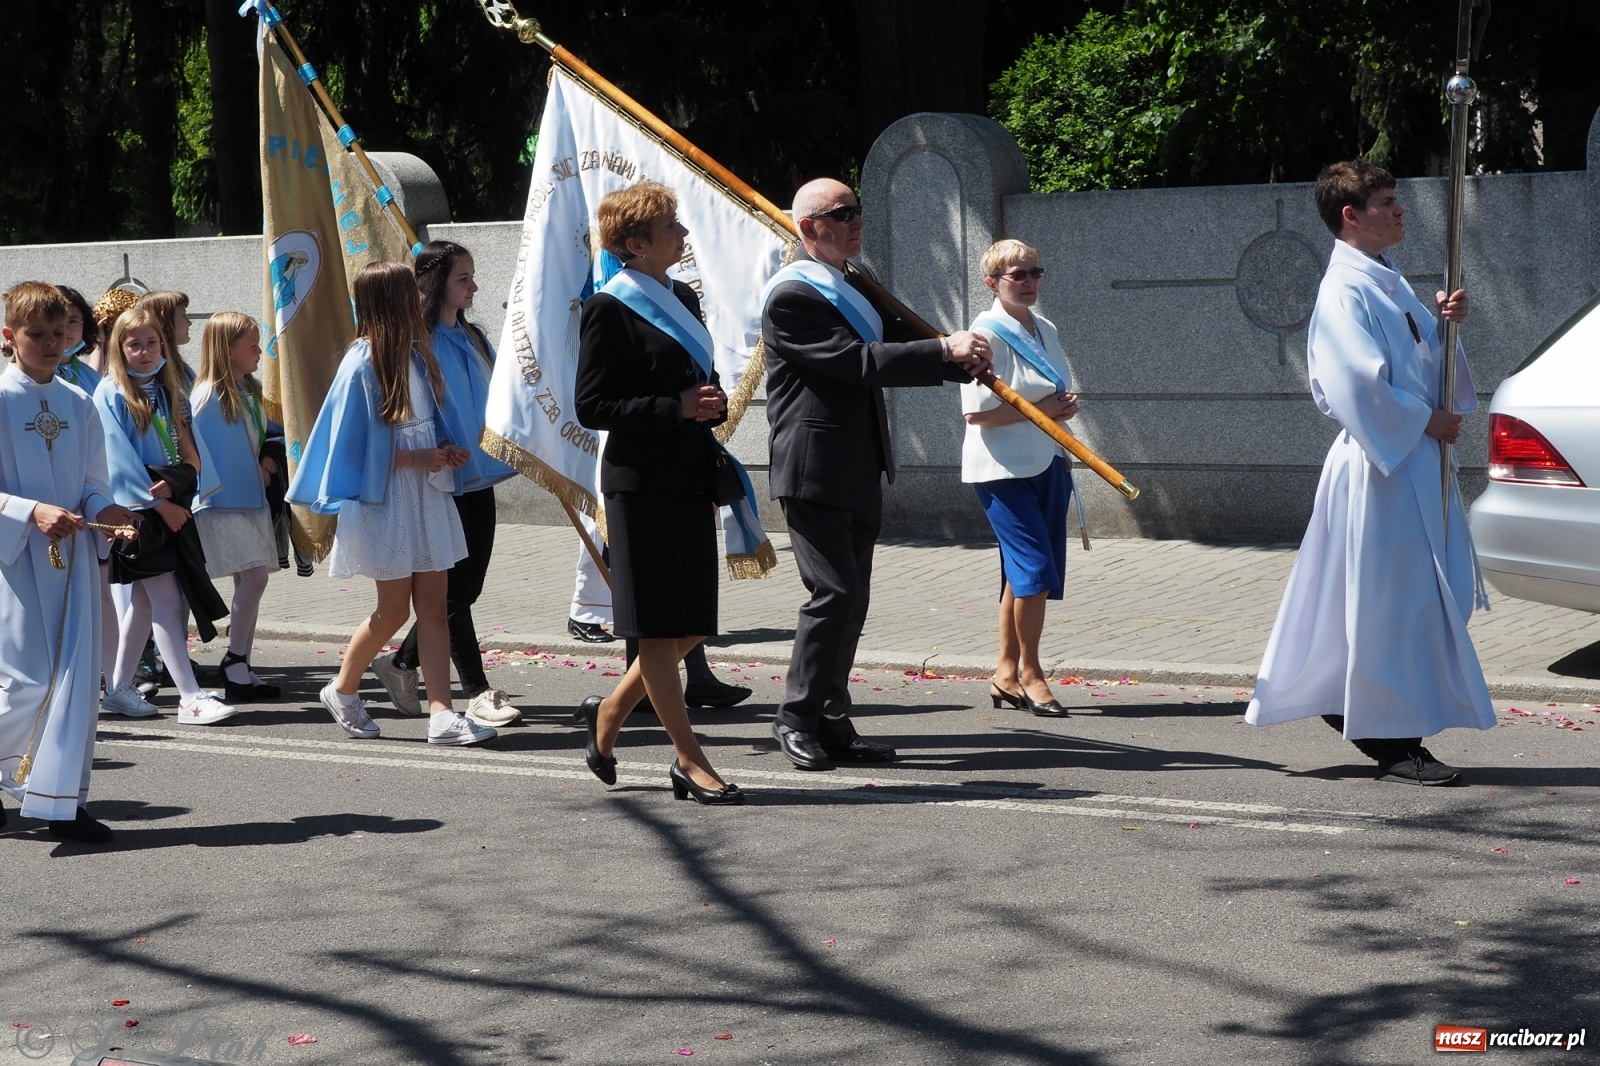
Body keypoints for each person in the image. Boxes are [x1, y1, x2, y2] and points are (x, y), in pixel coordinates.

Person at [1245, 159, 1492, 785]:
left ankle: (1350, 700)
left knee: (1410, 600)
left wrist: (1443, 326)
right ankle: (1392, 743)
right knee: (1388, 603)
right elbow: (1352, 382)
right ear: (1351, 216)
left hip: (1410, 460)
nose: (1400, 210)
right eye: (1386, 202)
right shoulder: (1343, 289)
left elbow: (1419, 365)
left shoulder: (1387, 278)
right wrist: (1422, 421)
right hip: (1381, 467)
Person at [762, 177, 992, 771]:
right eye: (844, 213)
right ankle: (795, 718)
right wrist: (943, 352)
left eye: (858, 209)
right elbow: (856, 361)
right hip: (812, 469)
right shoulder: (793, 295)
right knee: (832, 593)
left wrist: (960, 360)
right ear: (810, 227)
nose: (858, 220)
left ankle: (833, 719)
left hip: (860, 465)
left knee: (852, 600)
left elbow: (895, 344)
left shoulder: (849, 285)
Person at [573, 180, 743, 805]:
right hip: (639, 484)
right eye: (670, 226)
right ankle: (690, 760)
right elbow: (591, 404)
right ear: (636, 243)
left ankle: (611, 713)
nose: (683, 234)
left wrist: (710, 399)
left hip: (690, 474)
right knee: (658, 629)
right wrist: (672, 406)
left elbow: (700, 376)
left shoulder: (686, 297)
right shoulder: (608, 307)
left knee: (690, 623)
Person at [286, 260, 493, 747]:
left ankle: (442, 715)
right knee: (393, 611)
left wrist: (444, 449)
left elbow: (429, 421)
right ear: (389, 301)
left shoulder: (419, 355)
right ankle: (341, 688)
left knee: (436, 607)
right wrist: (419, 455)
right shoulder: (361, 361)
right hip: (387, 501)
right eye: (408, 292)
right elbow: (350, 449)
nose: (419, 298)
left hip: (427, 492)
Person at [0, 282, 139, 842]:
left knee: (75, 681)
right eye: (38, 334)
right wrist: (30, 512)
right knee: (25, 681)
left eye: (60, 334)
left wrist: (110, 510)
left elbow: (91, 483)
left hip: (71, 561)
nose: (53, 343)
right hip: (12, 560)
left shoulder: (79, 402)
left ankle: (60, 800)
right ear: (9, 337)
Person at [367, 241, 521, 729]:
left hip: (481, 474)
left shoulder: (475, 337)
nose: (473, 286)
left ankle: (402, 663)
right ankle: (476, 691)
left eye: (472, 276)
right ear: (436, 285)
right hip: (441, 478)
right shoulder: (415, 345)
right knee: (451, 593)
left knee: (465, 589)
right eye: (463, 278)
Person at [94, 307, 235, 725]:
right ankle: (189, 696)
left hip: (169, 504)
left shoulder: (168, 388)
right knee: (168, 602)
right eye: (134, 344)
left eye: (151, 342)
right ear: (119, 348)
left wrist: (182, 480)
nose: (143, 351)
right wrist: (160, 505)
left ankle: (118, 690)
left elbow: (190, 452)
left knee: (141, 604)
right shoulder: (110, 393)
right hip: (137, 515)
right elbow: (115, 459)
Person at [961, 239, 1080, 718]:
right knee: (1033, 574)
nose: (1028, 281)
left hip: (1048, 461)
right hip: (1002, 470)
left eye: (1034, 272)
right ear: (992, 283)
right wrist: (1043, 411)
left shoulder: (1044, 326)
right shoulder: (984, 333)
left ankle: (1006, 673)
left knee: (1024, 575)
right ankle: (1032, 674)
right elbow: (976, 412)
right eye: (1017, 275)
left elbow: (1049, 393)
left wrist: (1060, 409)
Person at [190, 312, 282, 703]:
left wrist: (268, 458)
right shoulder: (207, 397)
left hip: (250, 500)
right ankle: (235, 659)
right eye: (251, 346)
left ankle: (240, 663)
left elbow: (268, 436)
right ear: (228, 352)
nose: (259, 352)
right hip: (221, 502)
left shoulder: (248, 390)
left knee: (251, 581)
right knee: (255, 578)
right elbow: (192, 451)